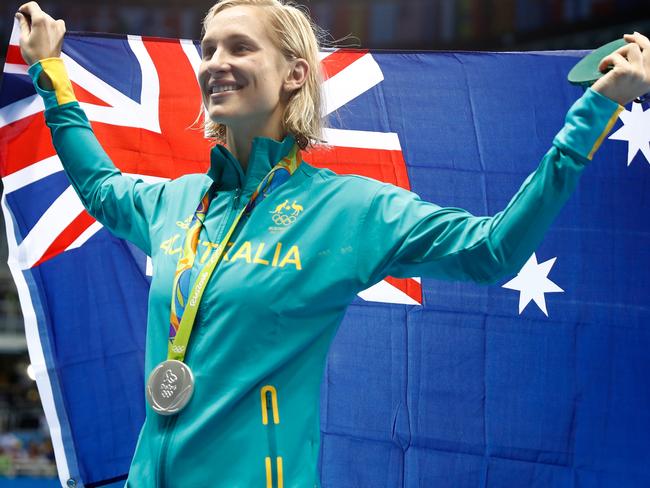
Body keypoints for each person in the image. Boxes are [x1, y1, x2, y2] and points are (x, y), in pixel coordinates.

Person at [14, 0, 650, 486]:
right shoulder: (177, 201)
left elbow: (493, 250)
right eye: (208, 48)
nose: (214, 63)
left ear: (294, 73)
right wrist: (48, 67)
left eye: (239, 47)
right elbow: (99, 186)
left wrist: (594, 111)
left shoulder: (350, 210)